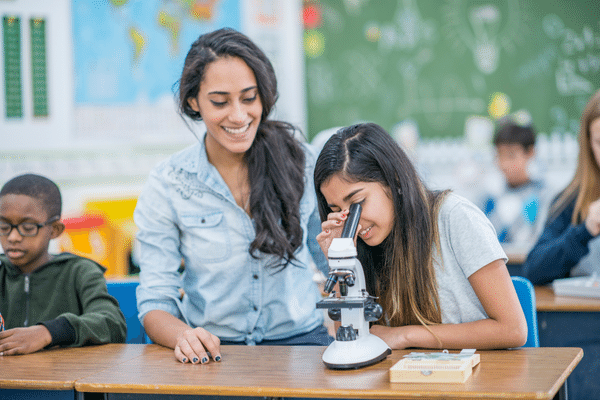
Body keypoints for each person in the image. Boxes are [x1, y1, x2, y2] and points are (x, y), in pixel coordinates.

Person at [134, 28, 331, 365]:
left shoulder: (304, 162)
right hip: (212, 353)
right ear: (194, 101)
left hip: (303, 349)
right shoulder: (168, 183)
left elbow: (334, 262)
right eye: (220, 102)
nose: (238, 116)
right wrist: (184, 335)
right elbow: (156, 299)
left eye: (249, 98)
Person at [314, 123, 527, 350]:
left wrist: (406, 336)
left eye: (357, 203)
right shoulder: (361, 242)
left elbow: (513, 330)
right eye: (336, 210)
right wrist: (341, 261)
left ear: (393, 179)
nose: (351, 222)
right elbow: (348, 338)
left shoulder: (455, 217)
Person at [523, 89, 600, 400]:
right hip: (589, 338)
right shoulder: (572, 200)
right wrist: (584, 230)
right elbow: (533, 268)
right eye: (598, 142)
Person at [0, 173, 126, 356]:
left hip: (64, 379)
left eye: (28, 228)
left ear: (55, 230)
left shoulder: (80, 271)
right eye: (4, 227)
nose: (13, 237)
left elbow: (112, 323)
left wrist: (49, 332)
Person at [480, 111, 548, 255]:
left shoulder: (544, 195)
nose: (503, 164)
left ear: (531, 153)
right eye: (499, 155)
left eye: (511, 155)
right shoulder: (490, 198)